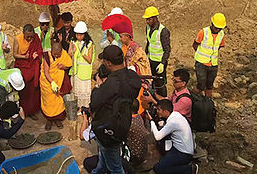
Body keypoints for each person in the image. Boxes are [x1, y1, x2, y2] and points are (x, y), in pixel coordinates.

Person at [89, 45, 142, 174]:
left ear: (108, 63)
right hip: (123, 123)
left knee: (115, 168)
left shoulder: (111, 83)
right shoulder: (133, 77)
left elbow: (94, 103)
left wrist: (98, 86)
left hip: (108, 129)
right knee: (105, 157)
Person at [150, 99, 196, 174]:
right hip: (181, 149)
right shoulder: (176, 115)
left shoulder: (173, 122)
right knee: (162, 164)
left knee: (158, 169)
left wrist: (151, 121)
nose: (157, 111)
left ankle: (189, 170)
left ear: (165, 112)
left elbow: (158, 136)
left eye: (159, 109)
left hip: (183, 153)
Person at [40, 38, 72, 129]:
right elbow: (46, 73)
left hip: (59, 81)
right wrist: (52, 83)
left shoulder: (63, 54)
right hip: (48, 82)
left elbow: (69, 64)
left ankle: (57, 119)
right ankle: (49, 120)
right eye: (55, 54)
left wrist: (63, 67)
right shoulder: (47, 56)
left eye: (59, 54)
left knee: (58, 101)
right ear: (52, 50)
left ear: (61, 51)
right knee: (48, 102)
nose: (57, 56)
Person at [193, 13, 226, 97]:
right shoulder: (203, 32)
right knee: (201, 85)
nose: (217, 30)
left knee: (209, 86)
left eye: (219, 28)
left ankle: (208, 103)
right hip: (201, 64)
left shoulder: (221, 34)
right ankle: (192, 98)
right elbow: (195, 45)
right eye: (216, 27)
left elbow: (219, 47)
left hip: (213, 64)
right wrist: (202, 55)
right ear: (212, 24)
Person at [13, 23, 42, 118]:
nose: (29, 39)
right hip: (22, 66)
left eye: (31, 36)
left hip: (32, 66)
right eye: (27, 37)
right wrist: (25, 57)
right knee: (23, 90)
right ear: (23, 34)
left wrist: (36, 54)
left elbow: (39, 50)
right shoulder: (17, 39)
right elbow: (15, 54)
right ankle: (23, 110)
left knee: (33, 90)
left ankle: (32, 110)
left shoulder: (36, 38)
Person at [144, 6, 171, 97]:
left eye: (149, 19)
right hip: (150, 60)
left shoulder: (163, 31)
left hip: (159, 63)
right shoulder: (148, 28)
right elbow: (149, 42)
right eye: (146, 19)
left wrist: (163, 63)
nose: (147, 21)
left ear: (155, 18)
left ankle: (163, 101)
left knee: (160, 84)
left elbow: (167, 49)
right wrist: (145, 55)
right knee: (151, 82)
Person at [70, 22, 94, 109]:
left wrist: (82, 53)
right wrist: (73, 49)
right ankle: (78, 108)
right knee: (76, 91)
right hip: (76, 71)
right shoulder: (73, 41)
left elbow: (90, 60)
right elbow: (69, 53)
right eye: (77, 34)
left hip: (85, 72)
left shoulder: (90, 44)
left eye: (80, 35)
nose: (78, 37)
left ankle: (85, 108)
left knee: (84, 92)